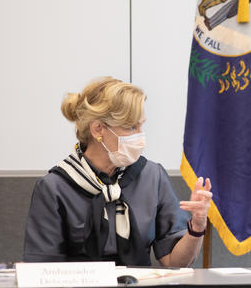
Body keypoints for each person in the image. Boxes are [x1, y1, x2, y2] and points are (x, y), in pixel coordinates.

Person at [23, 77, 212, 266]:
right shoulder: (55, 187)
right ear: (98, 129)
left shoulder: (152, 176)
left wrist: (196, 226)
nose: (140, 135)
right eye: (131, 127)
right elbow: (42, 270)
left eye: (141, 125)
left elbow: (174, 263)